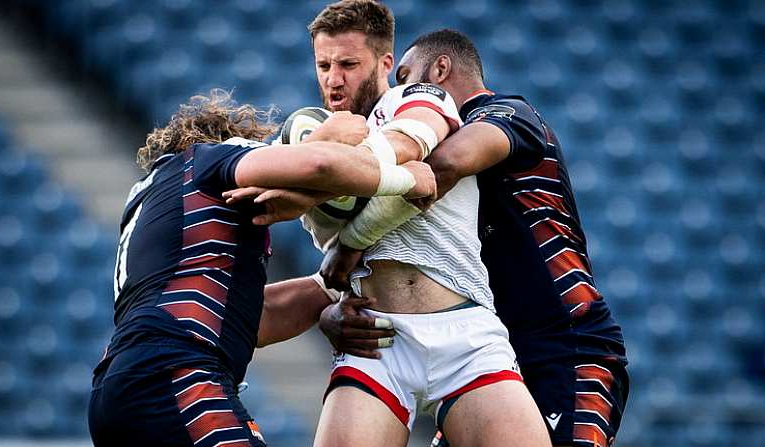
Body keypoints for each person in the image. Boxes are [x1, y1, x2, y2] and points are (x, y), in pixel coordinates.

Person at [229, 2, 551, 447]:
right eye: (323, 65)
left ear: (384, 63)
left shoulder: (416, 98)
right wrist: (328, 300)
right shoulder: (311, 136)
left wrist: (319, 180)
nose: (333, 78)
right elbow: (331, 255)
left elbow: (409, 144)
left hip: (463, 334)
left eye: (348, 64)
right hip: (375, 341)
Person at [317, 30, 630, 447]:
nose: (399, 96)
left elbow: (441, 168)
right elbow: (403, 247)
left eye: (406, 77)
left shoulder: (508, 113)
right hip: (488, 347)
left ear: (440, 69)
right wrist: (332, 304)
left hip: (566, 345)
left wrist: (349, 242)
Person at [87, 89, 437, 447]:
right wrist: (400, 178)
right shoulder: (206, 158)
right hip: (174, 377)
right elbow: (317, 164)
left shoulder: (153, 204)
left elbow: (251, 318)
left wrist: (332, 284)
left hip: (114, 393)